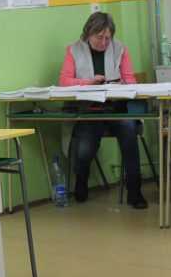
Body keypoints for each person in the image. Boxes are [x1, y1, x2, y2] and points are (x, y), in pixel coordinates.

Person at [59, 11, 148, 209]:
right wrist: (88, 83)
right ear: (88, 33)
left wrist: (122, 84)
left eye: (108, 38)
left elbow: (131, 80)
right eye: (99, 37)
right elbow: (64, 82)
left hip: (116, 108)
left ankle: (134, 187)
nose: (104, 42)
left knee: (128, 130)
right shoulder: (73, 50)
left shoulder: (119, 48)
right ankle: (81, 176)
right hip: (88, 110)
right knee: (86, 144)